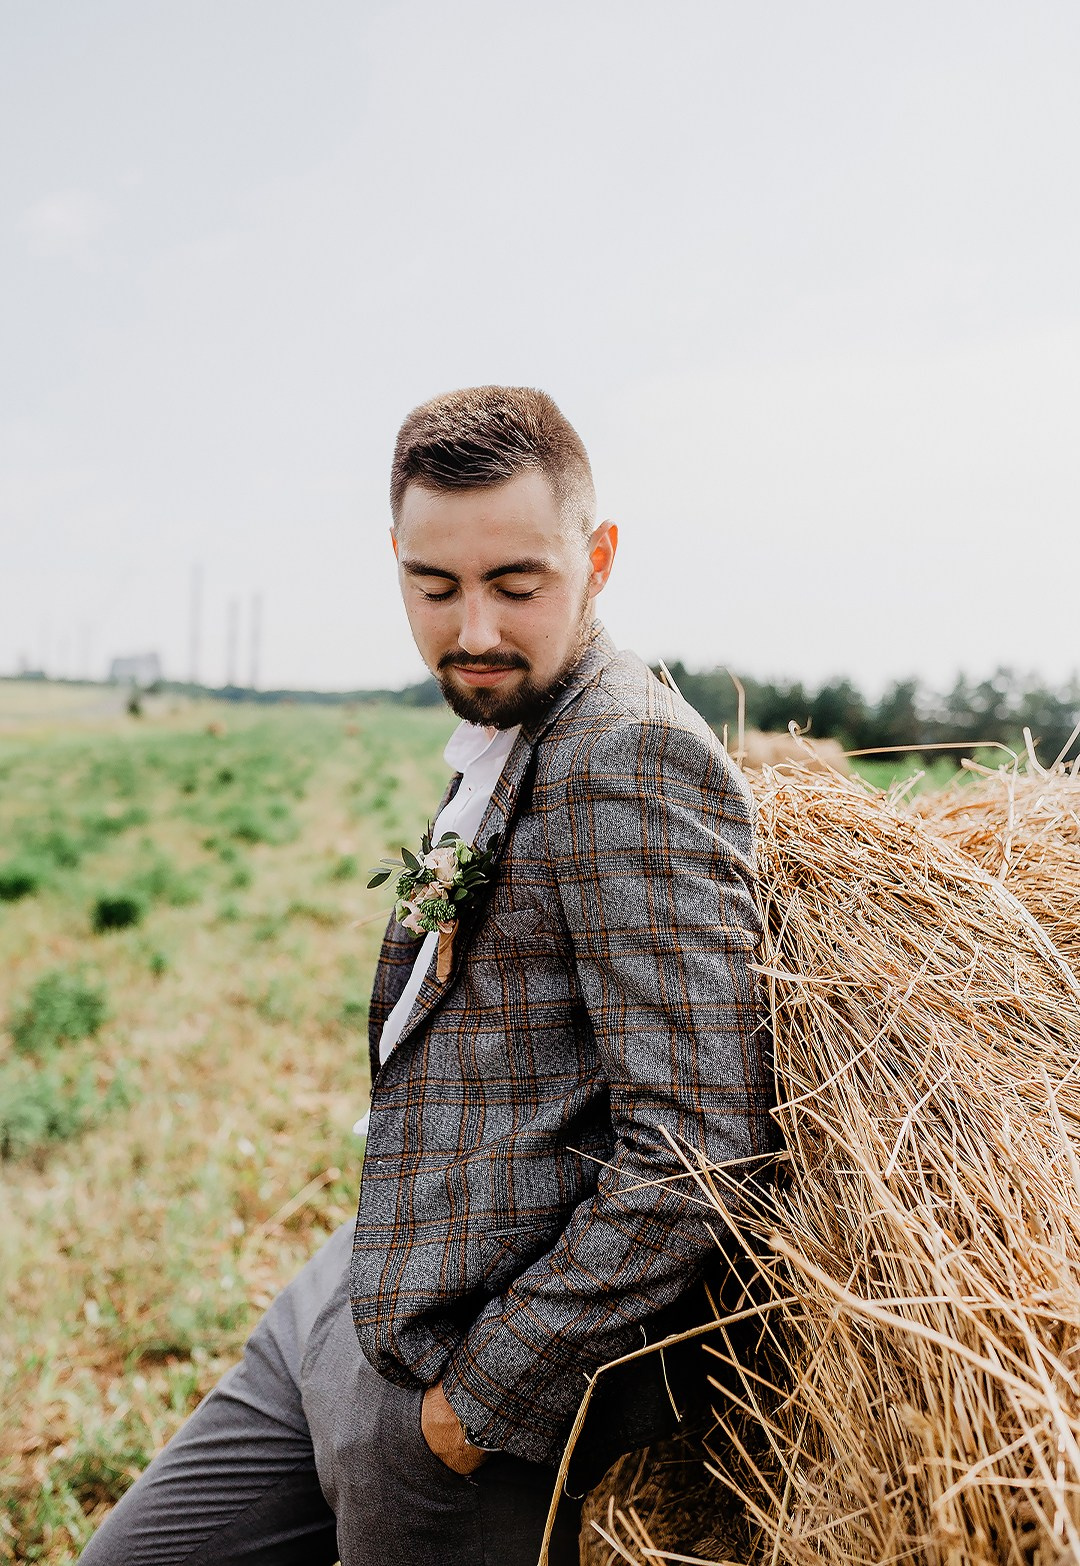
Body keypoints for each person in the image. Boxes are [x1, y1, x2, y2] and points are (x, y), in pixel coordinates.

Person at [80, 386, 777, 1566]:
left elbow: (702, 1150)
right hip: (347, 1298)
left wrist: (471, 1411)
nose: (473, 634)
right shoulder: (510, 721)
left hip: (455, 1404)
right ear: (395, 560)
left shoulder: (630, 757)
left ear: (598, 558)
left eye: (517, 583)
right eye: (434, 586)